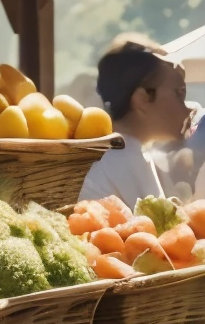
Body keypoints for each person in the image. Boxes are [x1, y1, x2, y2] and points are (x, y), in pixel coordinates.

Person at [78, 36, 192, 208]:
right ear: (142, 99)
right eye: (179, 93)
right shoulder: (113, 159)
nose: (188, 109)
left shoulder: (122, 153)